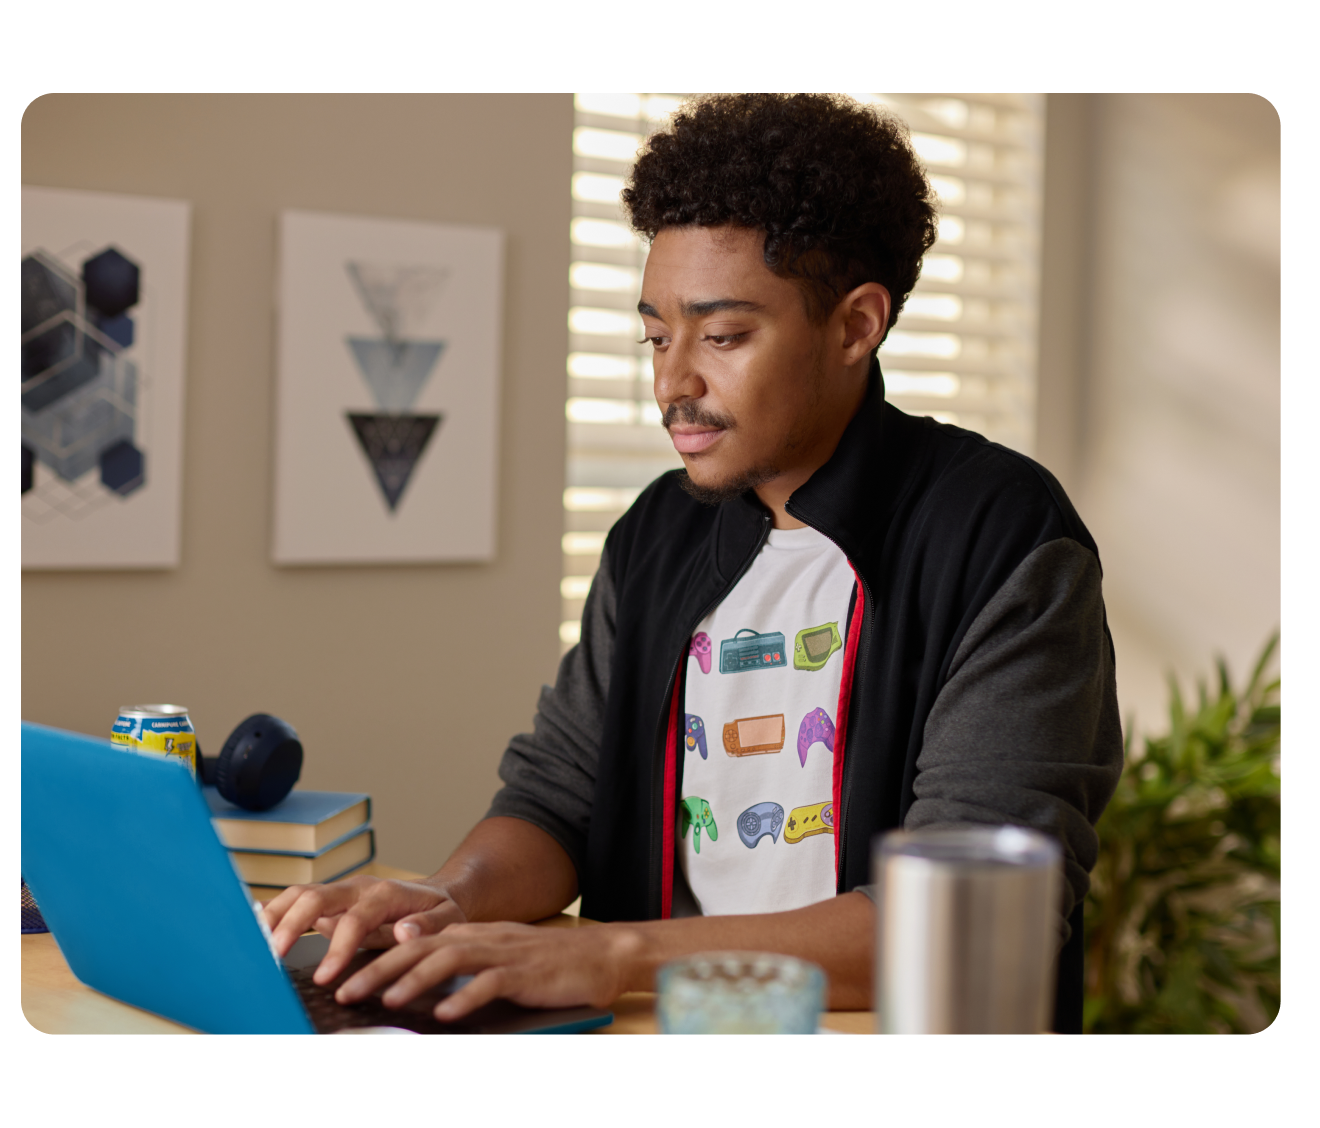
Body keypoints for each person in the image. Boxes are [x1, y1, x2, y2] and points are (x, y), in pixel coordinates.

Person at [263, 92, 1123, 1031]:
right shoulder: (658, 532)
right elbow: (559, 800)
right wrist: (447, 898)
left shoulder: (1001, 535)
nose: (674, 383)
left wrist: (611, 951)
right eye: (656, 335)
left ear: (854, 326)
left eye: (722, 336)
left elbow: (967, 922)